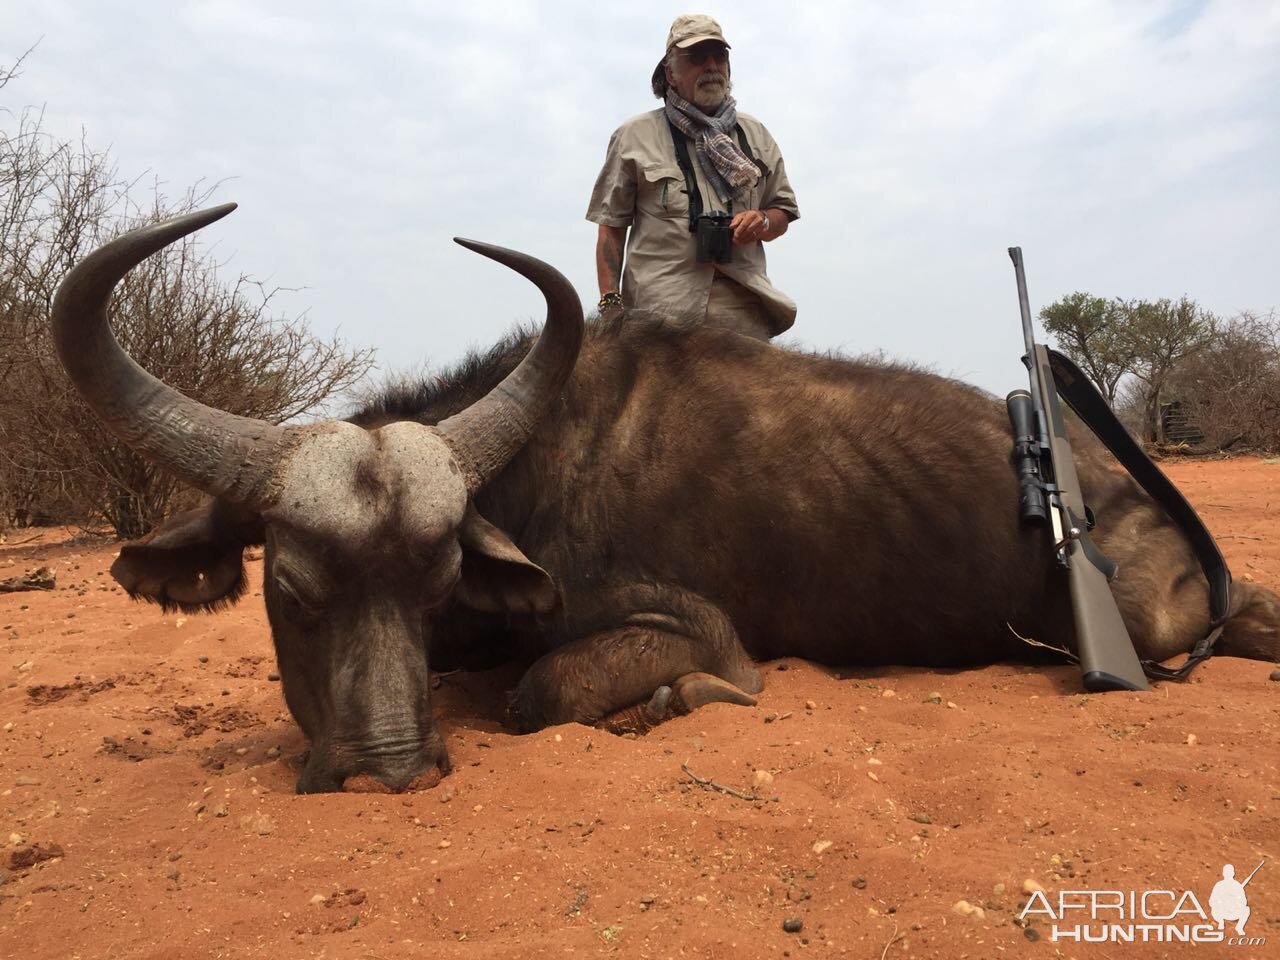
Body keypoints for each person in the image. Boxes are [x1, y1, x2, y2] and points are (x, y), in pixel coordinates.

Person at [586, 14, 800, 340]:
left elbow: (782, 212)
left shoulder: (756, 135)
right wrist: (611, 308)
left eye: (720, 56)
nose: (711, 65)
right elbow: (611, 228)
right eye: (697, 57)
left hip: (742, 316)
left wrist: (763, 221)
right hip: (659, 319)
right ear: (670, 73)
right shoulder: (633, 136)